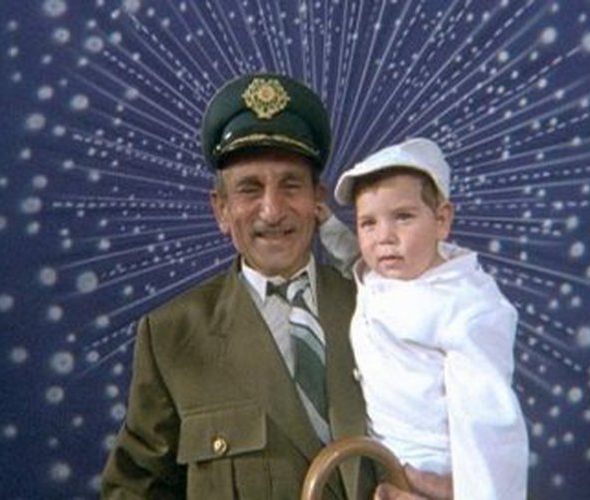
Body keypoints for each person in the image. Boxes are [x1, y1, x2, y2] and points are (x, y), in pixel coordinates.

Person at [100, 74, 447, 499]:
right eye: (249, 189)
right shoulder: (173, 335)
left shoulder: (392, 307)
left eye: (290, 185)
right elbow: (133, 491)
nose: (272, 210)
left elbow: (472, 441)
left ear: (317, 200)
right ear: (221, 210)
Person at [319, 138, 529, 500]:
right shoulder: (384, 271)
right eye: (368, 223)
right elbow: (355, 258)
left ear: (441, 220)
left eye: (403, 217)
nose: (384, 238)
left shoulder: (466, 306)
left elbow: (490, 422)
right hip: (379, 458)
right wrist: (327, 226)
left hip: (435, 471)